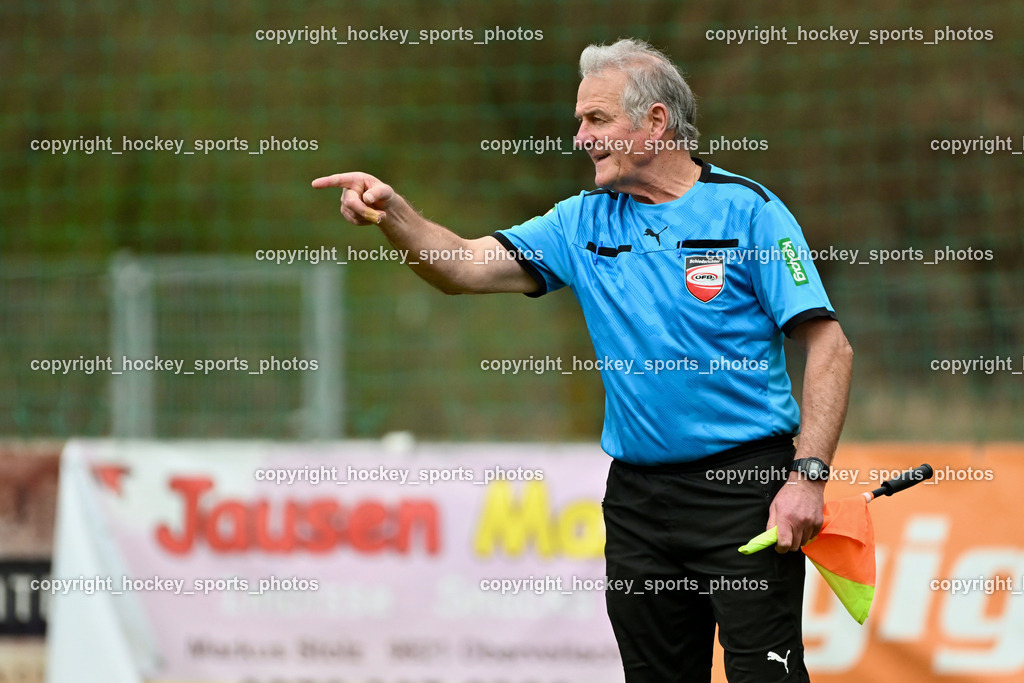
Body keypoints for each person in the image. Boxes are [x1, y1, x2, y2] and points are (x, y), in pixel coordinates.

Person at [313, 37, 852, 683]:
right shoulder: (580, 222)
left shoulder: (751, 212)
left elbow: (829, 345)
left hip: (745, 489)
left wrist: (808, 477)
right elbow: (461, 266)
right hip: (638, 500)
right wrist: (393, 214)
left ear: (656, 121)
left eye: (596, 119)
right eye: (580, 120)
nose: (579, 136)